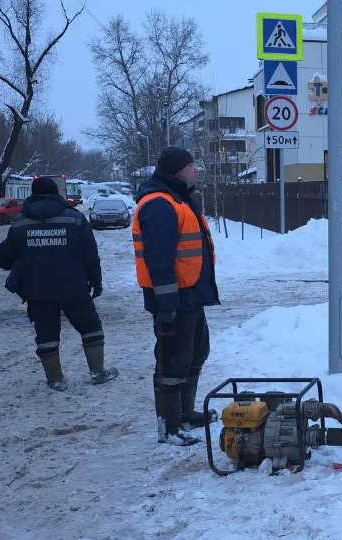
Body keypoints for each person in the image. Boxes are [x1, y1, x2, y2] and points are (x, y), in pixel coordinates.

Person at [0, 177, 118, 391]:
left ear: (32, 194)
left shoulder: (21, 222)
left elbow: (2, 258)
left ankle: (55, 380)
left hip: (37, 290)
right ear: (56, 194)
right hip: (74, 287)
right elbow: (91, 255)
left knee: (46, 334)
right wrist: (96, 282)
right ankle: (98, 372)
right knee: (90, 327)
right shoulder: (75, 219)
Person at [133, 147, 220, 446]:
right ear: (176, 171)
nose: (196, 170)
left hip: (191, 295)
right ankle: (169, 427)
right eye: (191, 165)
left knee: (195, 355)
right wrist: (166, 303)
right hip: (174, 300)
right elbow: (159, 260)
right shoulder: (158, 204)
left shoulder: (179, 199)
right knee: (172, 363)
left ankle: (185, 413)